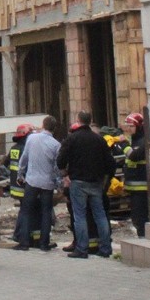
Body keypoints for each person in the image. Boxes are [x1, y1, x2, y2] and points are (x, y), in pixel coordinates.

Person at [57, 110, 116, 260]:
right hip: (96, 183)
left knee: (80, 216)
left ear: (78, 120)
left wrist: (65, 174)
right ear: (90, 121)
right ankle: (105, 248)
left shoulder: (72, 139)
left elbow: (60, 160)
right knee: (100, 215)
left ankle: (81, 249)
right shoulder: (99, 139)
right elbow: (110, 163)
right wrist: (107, 180)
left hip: (78, 182)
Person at [14, 115, 61, 251]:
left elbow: (24, 158)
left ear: (43, 125)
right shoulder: (56, 144)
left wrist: (20, 174)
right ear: (54, 128)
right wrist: (58, 184)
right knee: (46, 212)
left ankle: (24, 243)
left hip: (32, 181)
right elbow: (56, 167)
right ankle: (44, 243)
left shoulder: (32, 138)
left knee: (27, 211)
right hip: (47, 183)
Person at [7, 122, 37, 244]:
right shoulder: (27, 148)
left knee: (24, 210)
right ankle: (21, 236)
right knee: (27, 211)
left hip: (15, 186)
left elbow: (7, 163)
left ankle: (20, 234)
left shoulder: (14, 148)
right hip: (25, 186)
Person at [122, 111, 149, 237]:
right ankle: (141, 235)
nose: (129, 129)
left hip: (141, 186)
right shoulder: (133, 140)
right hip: (133, 187)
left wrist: (124, 145)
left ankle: (143, 237)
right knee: (136, 216)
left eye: (131, 126)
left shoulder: (143, 141)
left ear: (138, 126)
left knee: (141, 215)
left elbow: (134, 156)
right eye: (127, 126)